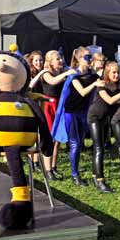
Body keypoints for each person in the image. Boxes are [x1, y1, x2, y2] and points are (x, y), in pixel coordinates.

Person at [88, 61, 120, 193]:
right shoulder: (102, 85)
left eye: (118, 72)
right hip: (95, 118)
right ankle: (100, 181)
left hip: (106, 119)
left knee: (102, 147)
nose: (116, 75)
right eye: (113, 72)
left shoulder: (119, 88)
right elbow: (109, 100)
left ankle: (95, 175)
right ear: (107, 73)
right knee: (99, 149)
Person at [62, 46, 103, 186]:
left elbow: (103, 83)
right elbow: (82, 92)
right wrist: (95, 84)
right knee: (75, 143)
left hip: (84, 111)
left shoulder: (93, 75)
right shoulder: (74, 74)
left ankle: (83, 173)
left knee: (80, 143)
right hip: (71, 112)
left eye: (90, 56)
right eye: (87, 57)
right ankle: (75, 175)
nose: (90, 59)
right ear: (79, 59)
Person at [41, 50, 77, 180]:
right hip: (49, 107)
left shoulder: (62, 71)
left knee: (57, 140)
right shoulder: (46, 73)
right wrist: (67, 73)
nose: (61, 60)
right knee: (49, 139)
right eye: (57, 59)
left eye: (61, 58)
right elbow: (53, 81)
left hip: (59, 106)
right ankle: (47, 169)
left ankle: (53, 167)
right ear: (50, 61)